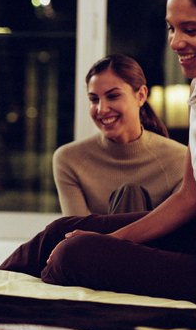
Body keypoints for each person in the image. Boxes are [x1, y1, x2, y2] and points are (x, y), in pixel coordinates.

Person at [0, 0, 196, 319]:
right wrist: (111, 241)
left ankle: (6, 313)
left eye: (191, 30)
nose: (175, 42)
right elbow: (189, 197)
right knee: (62, 232)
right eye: (172, 28)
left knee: (74, 255)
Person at [54, 54, 187, 216]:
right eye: (94, 99)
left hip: (154, 242)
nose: (101, 109)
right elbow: (76, 234)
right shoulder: (69, 160)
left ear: (141, 96)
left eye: (113, 96)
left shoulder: (180, 159)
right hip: (89, 242)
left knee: (131, 193)